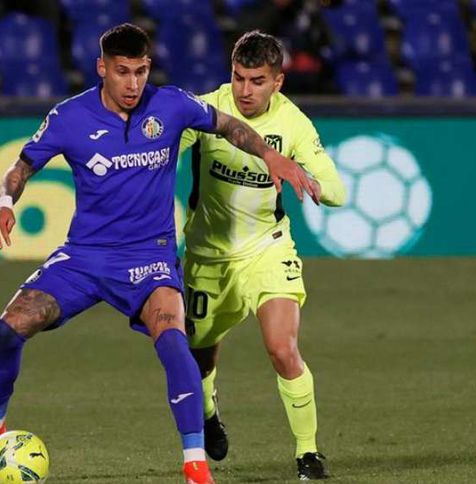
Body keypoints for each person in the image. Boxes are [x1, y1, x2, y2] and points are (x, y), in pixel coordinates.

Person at [0, 24, 316, 484]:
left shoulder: (171, 105)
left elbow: (229, 126)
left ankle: (196, 466)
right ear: (102, 68)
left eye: (141, 71)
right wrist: (4, 203)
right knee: (11, 325)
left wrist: (269, 155)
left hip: (150, 257)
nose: (133, 83)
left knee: (175, 339)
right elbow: (21, 167)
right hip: (85, 256)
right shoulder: (69, 117)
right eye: (122, 72)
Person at [179, 31, 347, 480]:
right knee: (199, 357)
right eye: (238, 77)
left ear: (278, 82)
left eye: (257, 81)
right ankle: (208, 412)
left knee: (282, 348)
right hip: (207, 256)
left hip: (267, 249)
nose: (245, 90)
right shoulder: (209, 110)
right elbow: (166, 146)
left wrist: (308, 179)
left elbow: (337, 191)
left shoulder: (294, 124)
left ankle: (308, 453)